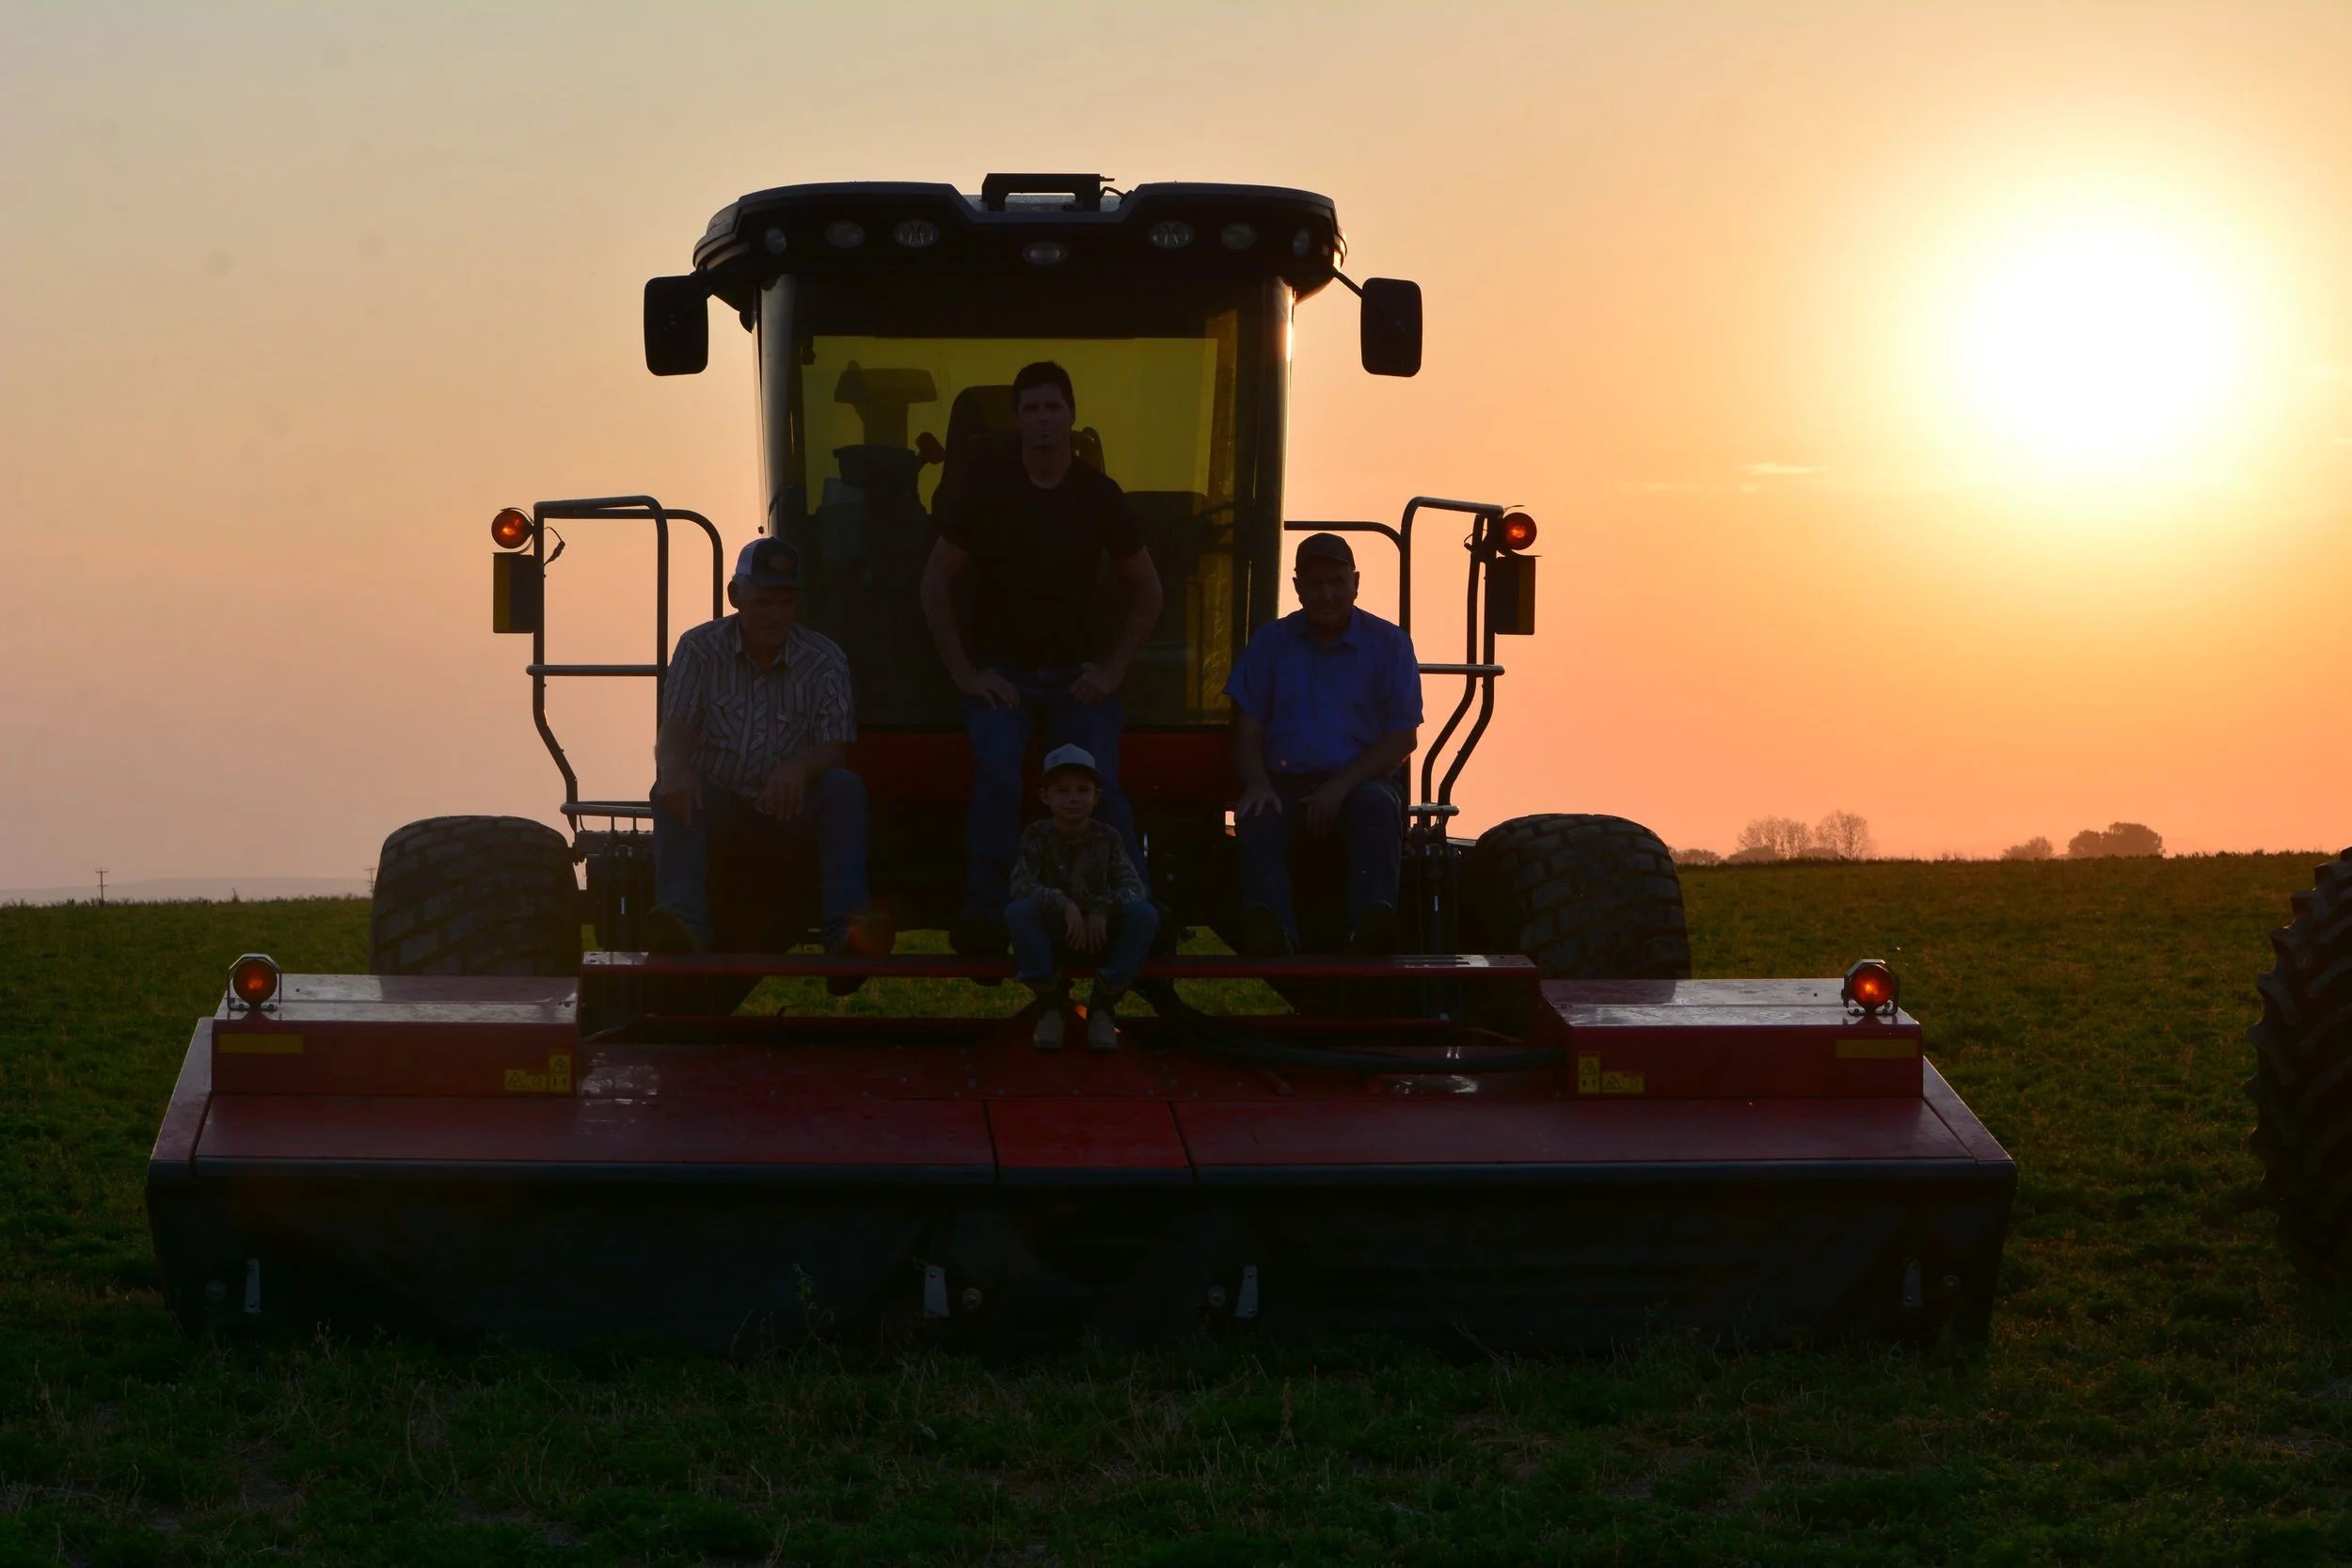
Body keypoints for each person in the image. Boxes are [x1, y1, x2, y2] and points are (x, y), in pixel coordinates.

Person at [918, 360, 1164, 958]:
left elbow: (1149, 591)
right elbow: (934, 584)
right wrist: (966, 675)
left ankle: (1136, 914)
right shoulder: (986, 494)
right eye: (1031, 409)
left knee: (1101, 786)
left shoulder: (1100, 497)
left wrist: (1110, 672)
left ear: (1073, 416)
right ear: (1017, 420)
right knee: (998, 779)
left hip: (1076, 681)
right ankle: (986, 914)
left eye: (1053, 407)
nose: (1043, 419)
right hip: (1004, 681)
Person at [646, 537, 891, 993]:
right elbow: (675, 729)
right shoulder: (698, 649)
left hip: (790, 812)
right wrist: (673, 769)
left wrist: (797, 768)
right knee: (670, 788)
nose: (774, 614)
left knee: (843, 788)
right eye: (763, 601)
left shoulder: (824, 659)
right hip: (718, 807)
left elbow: (835, 746)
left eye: (785, 602)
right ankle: (683, 929)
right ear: (735, 596)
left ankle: (846, 937)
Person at [1224, 531, 1422, 955]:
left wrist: (1337, 789)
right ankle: (1273, 934)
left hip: (1363, 785)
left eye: (1336, 581)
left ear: (1356, 582)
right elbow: (1246, 734)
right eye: (1315, 584)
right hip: (1283, 784)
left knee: (1375, 806)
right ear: (1297, 587)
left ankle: (1371, 926)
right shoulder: (1269, 645)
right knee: (1256, 816)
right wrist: (1257, 784)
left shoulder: (1391, 644)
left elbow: (1402, 739)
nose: (1327, 594)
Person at [1004, 744, 1159, 1051]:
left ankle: (1103, 1006)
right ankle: (1050, 1005)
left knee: (1145, 915)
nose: (1073, 798)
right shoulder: (1036, 835)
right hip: (1058, 932)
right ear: (1045, 796)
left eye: (1082, 790)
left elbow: (1134, 885)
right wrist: (1065, 905)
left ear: (1096, 797)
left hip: (1100, 934)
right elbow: (1021, 884)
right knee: (1018, 912)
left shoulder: (1108, 836)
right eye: (1062, 790)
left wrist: (1101, 909)